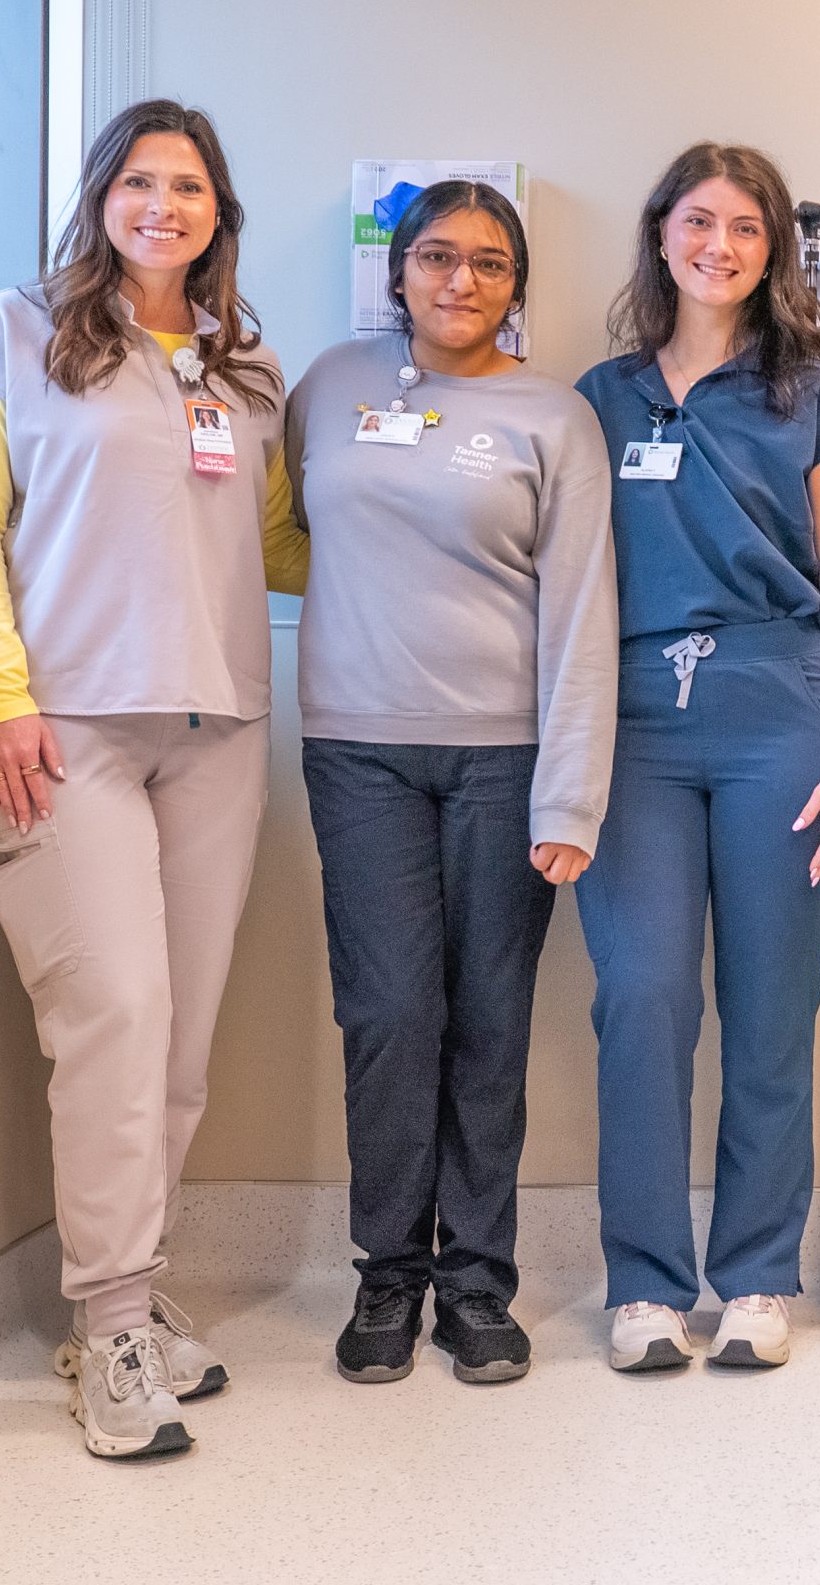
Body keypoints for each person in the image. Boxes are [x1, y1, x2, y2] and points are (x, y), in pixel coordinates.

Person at [0, 99, 308, 1461]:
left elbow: (278, 543)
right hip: (67, 728)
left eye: (189, 187)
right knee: (117, 1016)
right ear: (100, 198)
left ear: (218, 214)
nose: (163, 205)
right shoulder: (16, 334)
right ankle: (109, 1331)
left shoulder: (243, 365)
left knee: (181, 1041)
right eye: (139, 181)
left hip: (218, 727)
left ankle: (133, 1302)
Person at [286, 181, 617, 1385]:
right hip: (357, 748)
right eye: (436, 255)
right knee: (386, 1015)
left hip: (504, 757)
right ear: (398, 270)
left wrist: (570, 793)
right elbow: (274, 531)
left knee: (486, 1022)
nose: (460, 280)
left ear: (516, 284)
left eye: (488, 261)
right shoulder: (328, 386)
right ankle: (388, 1274)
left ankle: (476, 1279)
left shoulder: (555, 417)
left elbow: (581, 611)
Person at [574, 143, 820, 1373]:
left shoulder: (816, 396)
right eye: (699, 221)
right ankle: (645, 1285)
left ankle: (756, 1274)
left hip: (780, 711)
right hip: (635, 722)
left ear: (776, 250)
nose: (721, 245)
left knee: (771, 1003)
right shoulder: (599, 399)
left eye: (747, 227)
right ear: (661, 233)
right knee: (641, 994)